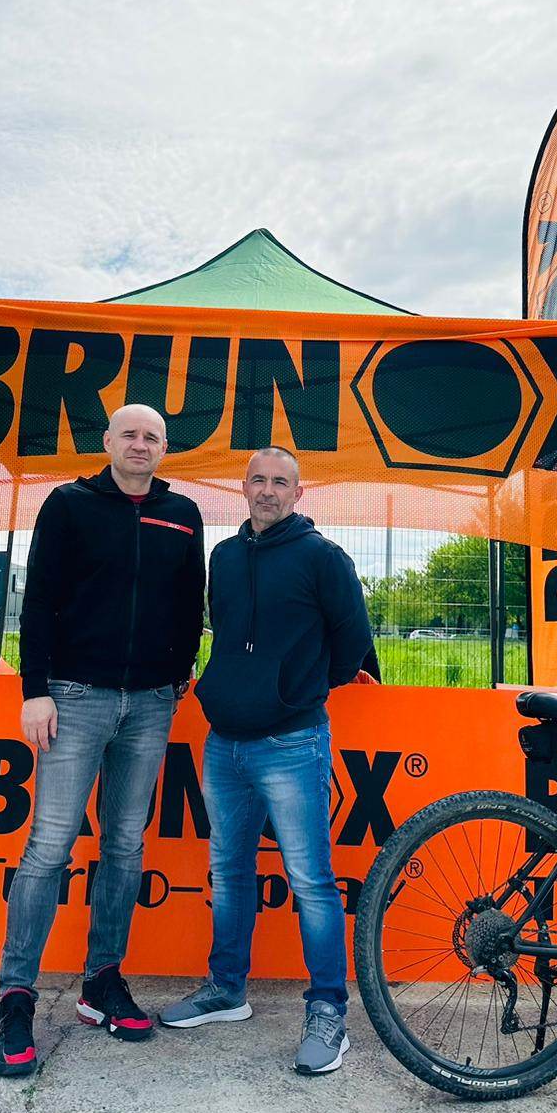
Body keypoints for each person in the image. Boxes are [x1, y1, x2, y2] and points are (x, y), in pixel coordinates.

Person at [0, 404, 205, 1077]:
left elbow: (189, 601)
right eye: (129, 434)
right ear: (107, 440)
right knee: (48, 846)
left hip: (150, 704)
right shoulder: (68, 505)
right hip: (73, 697)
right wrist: (34, 688)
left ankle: (102, 981)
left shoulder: (183, 514)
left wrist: (178, 672)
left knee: (125, 846)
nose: (140, 445)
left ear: (164, 449)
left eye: (152, 437)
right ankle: (16, 998)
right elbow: (38, 600)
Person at [159, 445, 377, 1075]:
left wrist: (295, 692)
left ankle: (328, 1011)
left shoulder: (323, 558)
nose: (268, 491)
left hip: (292, 743)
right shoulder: (224, 557)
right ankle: (226, 990)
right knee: (228, 873)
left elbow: (352, 645)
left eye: (281, 482)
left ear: (298, 493)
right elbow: (222, 631)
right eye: (258, 480)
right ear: (244, 486)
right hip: (224, 742)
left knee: (311, 882)